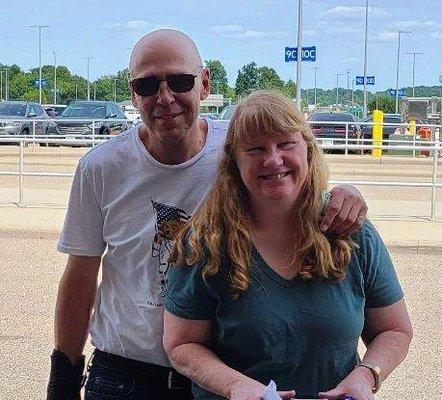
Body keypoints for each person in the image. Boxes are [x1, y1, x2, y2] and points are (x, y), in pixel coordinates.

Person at [47, 30, 368, 400]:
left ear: (204, 83)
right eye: (148, 85)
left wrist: (345, 194)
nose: (165, 98)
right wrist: (63, 377)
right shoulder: (101, 168)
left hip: (226, 378)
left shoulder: (240, 151)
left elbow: (292, 180)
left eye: (180, 81)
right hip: (126, 377)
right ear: (133, 94)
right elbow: (80, 277)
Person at [164, 90, 413, 400]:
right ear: (234, 163)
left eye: (285, 143)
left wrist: (367, 375)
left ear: (307, 150)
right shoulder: (205, 242)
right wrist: (235, 386)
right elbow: (181, 344)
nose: (273, 159)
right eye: (255, 149)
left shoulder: (352, 233)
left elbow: (395, 330)